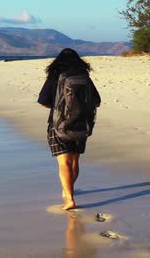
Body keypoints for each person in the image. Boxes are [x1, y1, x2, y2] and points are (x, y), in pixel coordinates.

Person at [37, 48, 101, 210]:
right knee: (74, 161)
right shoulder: (84, 78)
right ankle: (68, 191)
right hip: (81, 124)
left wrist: (59, 107)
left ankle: (69, 198)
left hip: (58, 124)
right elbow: (97, 101)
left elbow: (43, 100)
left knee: (63, 162)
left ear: (57, 62)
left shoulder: (54, 76)